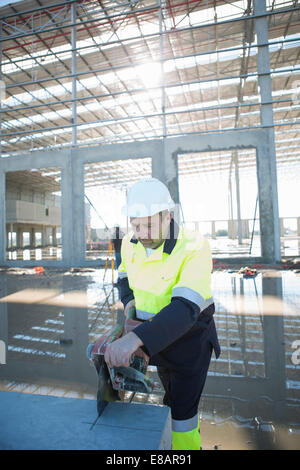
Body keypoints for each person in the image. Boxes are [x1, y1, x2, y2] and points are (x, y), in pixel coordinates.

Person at [104, 177, 220, 450]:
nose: (141, 233)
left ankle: (186, 449)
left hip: (189, 342)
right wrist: (130, 310)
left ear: (168, 216)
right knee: (164, 393)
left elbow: (185, 309)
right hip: (150, 338)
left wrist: (134, 339)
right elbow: (124, 280)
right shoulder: (128, 241)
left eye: (149, 224)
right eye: (135, 224)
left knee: (182, 414)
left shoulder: (194, 246)